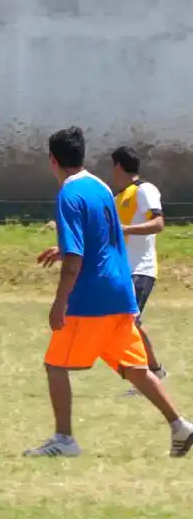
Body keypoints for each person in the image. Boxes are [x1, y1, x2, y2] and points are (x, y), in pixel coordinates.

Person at [27, 126, 193, 457]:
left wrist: (60, 303)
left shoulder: (69, 194)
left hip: (92, 297)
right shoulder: (101, 187)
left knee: (55, 365)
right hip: (121, 291)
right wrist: (63, 250)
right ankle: (181, 426)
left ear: (52, 160)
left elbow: (77, 257)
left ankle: (64, 440)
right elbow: (106, 236)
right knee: (136, 368)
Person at [110, 146, 168, 394]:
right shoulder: (116, 198)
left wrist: (126, 229)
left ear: (119, 167)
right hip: (123, 271)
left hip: (141, 270)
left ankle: (147, 375)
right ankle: (154, 371)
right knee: (130, 321)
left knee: (127, 321)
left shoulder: (145, 190)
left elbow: (158, 222)